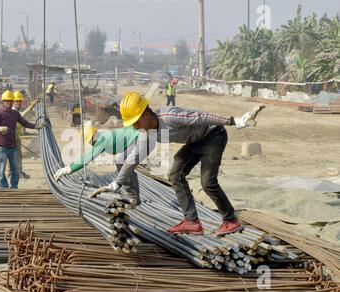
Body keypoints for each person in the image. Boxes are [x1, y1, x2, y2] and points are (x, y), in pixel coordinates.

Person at [91, 91, 265, 236]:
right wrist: (116, 183)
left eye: (136, 122)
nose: (135, 127)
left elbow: (202, 117)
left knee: (207, 183)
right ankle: (192, 222)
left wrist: (235, 121)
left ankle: (230, 221)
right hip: (194, 143)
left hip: (213, 136)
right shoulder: (147, 133)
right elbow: (133, 159)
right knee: (175, 174)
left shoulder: (169, 116)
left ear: (146, 114)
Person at [54, 122, 140, 202]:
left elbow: (88, 157)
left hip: (136, 139)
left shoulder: (102, 140)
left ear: (92, 136)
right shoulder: (103, 137)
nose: (91, 143)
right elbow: (86, 156)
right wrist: (71, 165)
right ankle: (133, 192)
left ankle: (133, 195)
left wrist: (70, 169)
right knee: (123, 165)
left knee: (121, 164)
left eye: (90, 141)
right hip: (135, 136)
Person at [0, 90, 44, 189]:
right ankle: (4, 188)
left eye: (11, 101)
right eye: (7, 101)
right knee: (1, 169)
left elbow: (24, 123)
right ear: (3, 102)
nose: (9, 103)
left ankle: (14, 187)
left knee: (15, 170)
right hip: (1, 146)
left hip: (13, 146)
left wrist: (36, 126)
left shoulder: (15, 113)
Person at [8, 91, 37, 179]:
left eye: (20, 101)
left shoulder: (16, 111)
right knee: (12, 156)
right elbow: (22, 115)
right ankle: (11, 173)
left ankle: (19, 171)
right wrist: (31, 106)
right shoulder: (12, 111)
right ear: (14, 102)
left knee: (19, 156)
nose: (20, 103)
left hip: (17, 137)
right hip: (11, 138)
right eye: (18, 101)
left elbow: (24, 121)